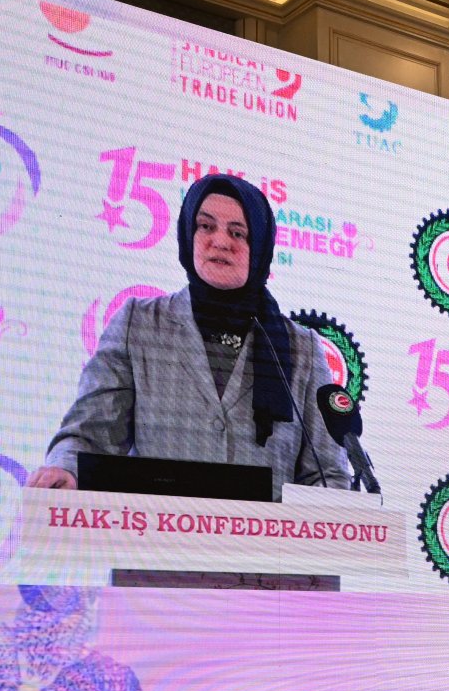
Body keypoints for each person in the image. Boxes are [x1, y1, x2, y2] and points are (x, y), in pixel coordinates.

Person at [30, 173, 351, 491]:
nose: (221, 242)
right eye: (206, 226)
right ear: (187, 235)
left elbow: (326, 475)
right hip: (156, 524)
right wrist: (67, 469)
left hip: (266, 528)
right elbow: (90, 433)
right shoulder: (138, 325)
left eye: (238, 233)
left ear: (261, 247)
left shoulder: (301, 348)